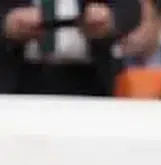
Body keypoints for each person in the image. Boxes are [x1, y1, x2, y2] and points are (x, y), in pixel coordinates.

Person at [0, 0, 141, 95]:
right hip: (19, 78)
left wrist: (110, 18)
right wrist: (5, 24)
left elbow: (130, 8)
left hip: (90, 79)